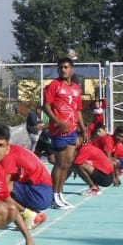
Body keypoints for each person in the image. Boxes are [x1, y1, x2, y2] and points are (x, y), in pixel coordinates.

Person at [43, 56, 85, 209]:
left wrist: (83, 127)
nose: (63, 70)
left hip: (73, 130)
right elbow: (46, 106)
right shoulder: (54, 85)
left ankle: (60, 193)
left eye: (66, 67)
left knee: (68, 163)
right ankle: (54, 195)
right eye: (60, 67)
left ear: (72, 69)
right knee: (60, 164)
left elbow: (78, 109)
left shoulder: (76, 88)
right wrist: (57, 121)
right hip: (59, 131)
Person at [0, 137, 54, 229]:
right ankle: (36, 215)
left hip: (39, 193)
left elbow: (4, 186)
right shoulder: (14, 149)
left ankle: (28, 215)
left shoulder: (8, 156)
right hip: (45, 191)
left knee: (1, 189)